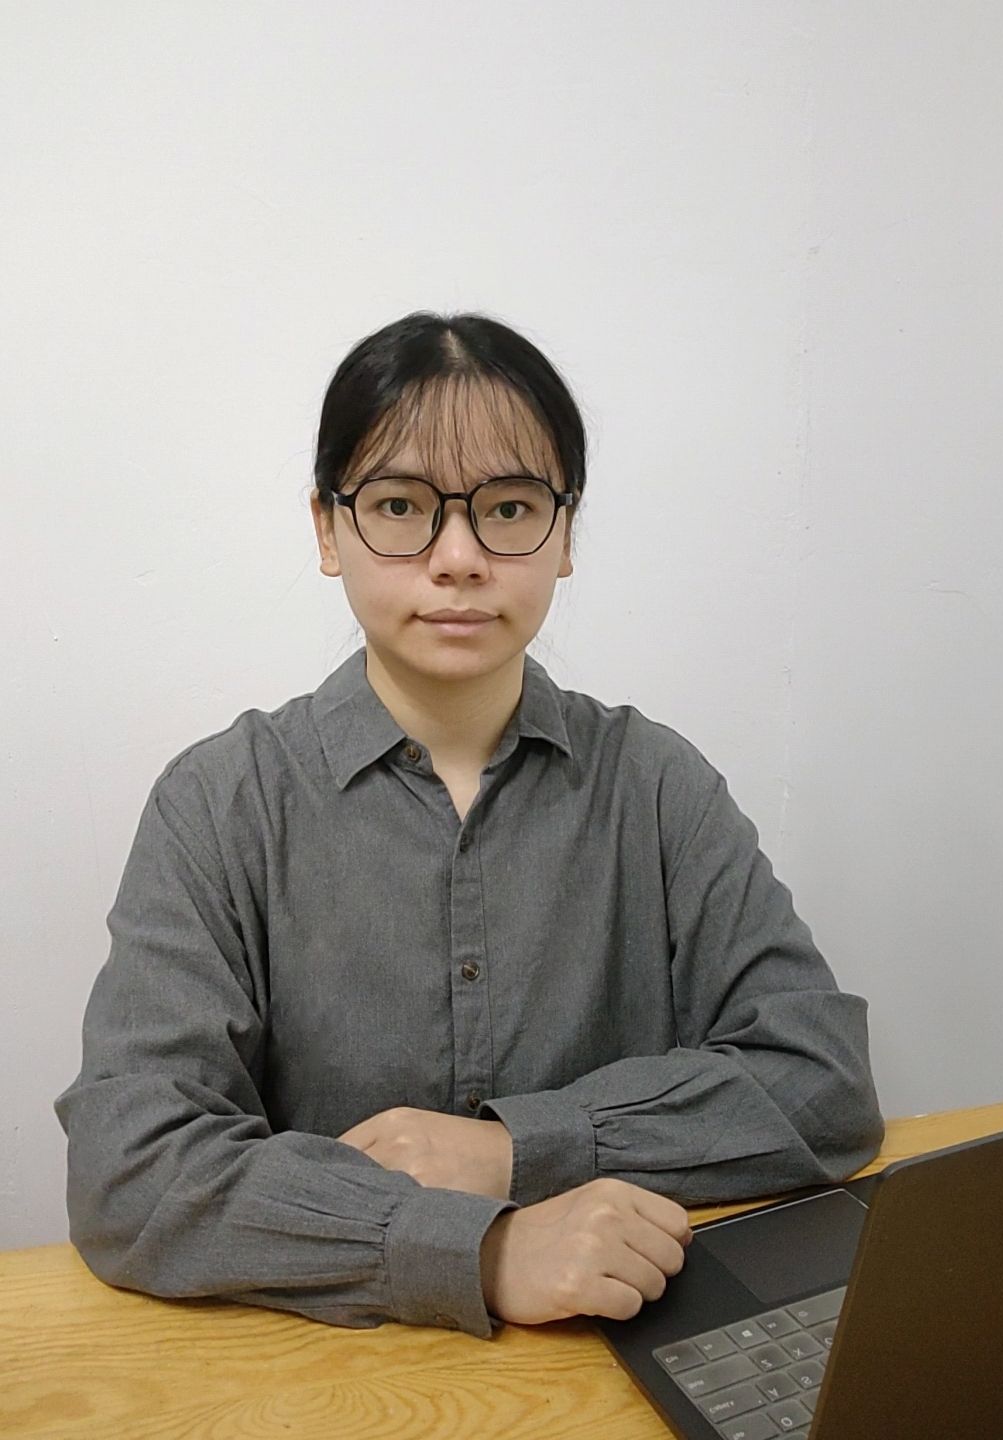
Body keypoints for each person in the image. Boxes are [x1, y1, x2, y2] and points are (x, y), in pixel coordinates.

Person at [54, 311, 884, 1339]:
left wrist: (513, 1150)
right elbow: (130, 1166)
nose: (458, 557)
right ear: (328, 529)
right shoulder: (222, 801)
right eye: (401, 505)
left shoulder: (656, 785)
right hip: (329, 1372)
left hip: (615, 1349)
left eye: (510, 507)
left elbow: (822, 1081)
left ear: (565, 535)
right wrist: (479, 1250)